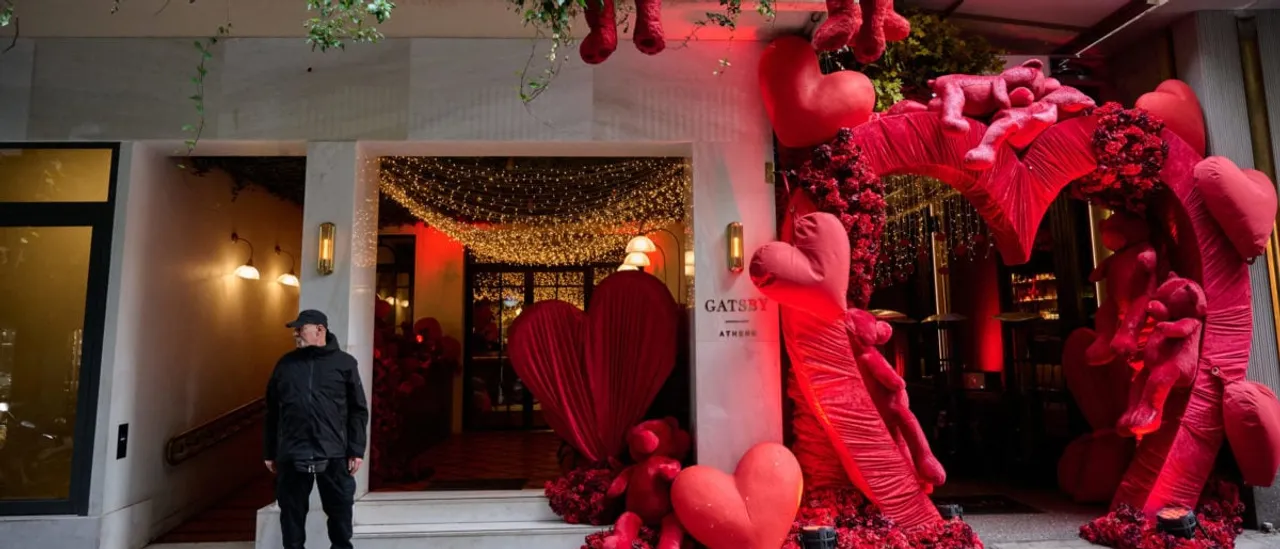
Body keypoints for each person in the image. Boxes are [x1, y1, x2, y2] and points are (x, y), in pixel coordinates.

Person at [264, 309, 369, 549]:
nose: (296, 334)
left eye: (300, 329)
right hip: (292, 452)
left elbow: (358, 410)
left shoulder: (344, 363)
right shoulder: (285, 364)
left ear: (320, 330)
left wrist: (356, 450)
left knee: (340, 511)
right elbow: (272, 410)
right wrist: (270, 451)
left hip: (334, 452)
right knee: (291, 513)